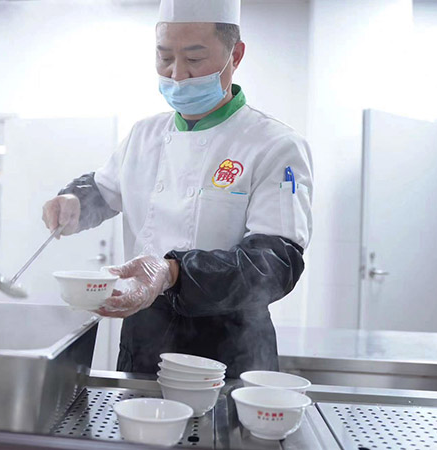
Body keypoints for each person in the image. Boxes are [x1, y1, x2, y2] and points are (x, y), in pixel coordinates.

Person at [41, 0, 313, 378]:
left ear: (235, 55)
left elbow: (275, 263)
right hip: (143, 334)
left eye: (194, 59)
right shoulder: (144, 134)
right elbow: (104, 189)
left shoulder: (274, 144)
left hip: (231, 343)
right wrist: (74, 200)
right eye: (165, 57)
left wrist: (172, 272)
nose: (177, 74)